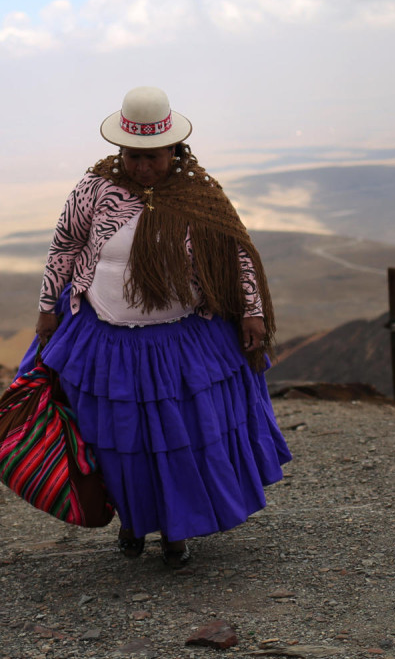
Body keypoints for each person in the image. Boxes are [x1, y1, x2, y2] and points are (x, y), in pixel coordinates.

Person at [21, 86, 291, 568]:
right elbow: (64, 248)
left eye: (153, 156)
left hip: (180, 341)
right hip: (105, 340)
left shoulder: (198, 194)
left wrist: (251, 310)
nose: (142, 167)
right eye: (132, 156)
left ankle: (175, 531)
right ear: (119, 150)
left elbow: (235, 254)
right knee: (121, 441)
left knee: (178, 438)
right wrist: (47, 307)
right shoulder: (95, 189)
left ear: (174, 149)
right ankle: (131, 520)